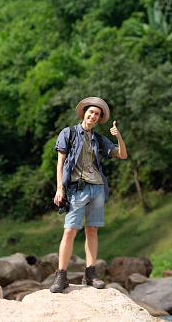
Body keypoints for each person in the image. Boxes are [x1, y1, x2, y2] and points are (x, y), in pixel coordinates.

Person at [50, 97, 127, 293]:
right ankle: (61, 275)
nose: (93, 116)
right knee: (69, 231)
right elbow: (60, 163)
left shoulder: (100, 139)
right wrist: (60, 188)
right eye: (91, 112)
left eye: (97, 114)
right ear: (84, 112)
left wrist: (118, 137)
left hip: (97, 189)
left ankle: (90, 273)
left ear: (100, 118)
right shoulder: (68, 134)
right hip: (76, 189)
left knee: (92, 230)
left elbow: (122, 155)